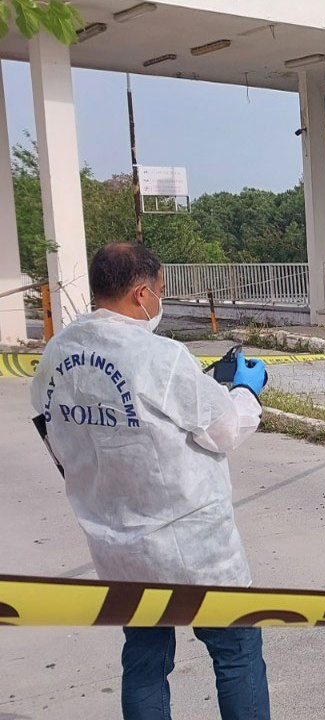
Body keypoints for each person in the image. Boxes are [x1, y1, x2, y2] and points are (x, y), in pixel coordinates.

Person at [30, 243, 271, 720]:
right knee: (236, 654)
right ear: (141, 294)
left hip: (118, 547)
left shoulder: (56, 355)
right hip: (195, 549)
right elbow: (224, 429)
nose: (160, 301)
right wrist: (245, 389)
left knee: (144, 663)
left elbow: (55, 439)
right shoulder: (161, 355)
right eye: (160, 292)